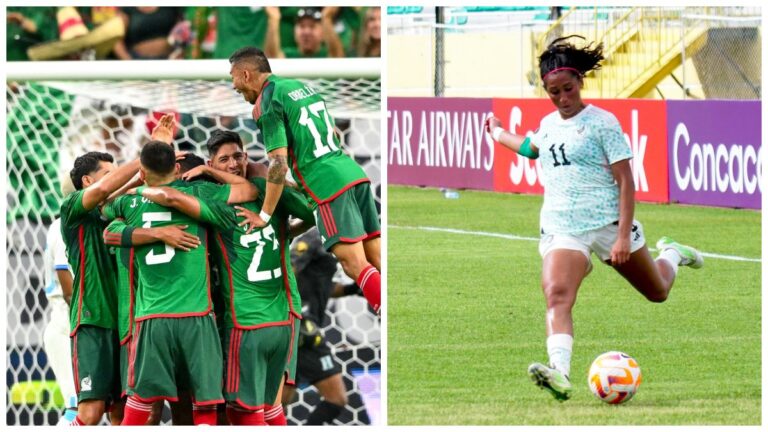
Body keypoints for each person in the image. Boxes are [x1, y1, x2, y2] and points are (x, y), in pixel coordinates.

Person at [484, 35, 704, 402]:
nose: (562, 98)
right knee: (556, 294)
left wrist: (620, 239)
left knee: (658, 292)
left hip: (608, 226)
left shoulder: (602, 124)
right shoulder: (549, 124)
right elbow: (529, 148)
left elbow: (626, 181)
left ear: (579, 82)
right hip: (563, 228)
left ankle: (673, 253)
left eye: (567, 89)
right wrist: (495, 132)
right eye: (554, 92)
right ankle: (560, 372)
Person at [134, 156, 315, 425]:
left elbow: (171, 198)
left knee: (237, 410)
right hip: (274, 318)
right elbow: (313, 212)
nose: (233, 164)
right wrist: (284, 229)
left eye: (238, 157)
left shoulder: (219, 210)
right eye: (224, 159)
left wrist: (138, 186)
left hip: (240, 322)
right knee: (265, 406)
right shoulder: (270, 201)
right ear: (210, 163)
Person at [228, 46, 381, 315]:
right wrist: (298, 181)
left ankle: (385, 308)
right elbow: (330, 131)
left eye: (235, 81)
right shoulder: (300, 87)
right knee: (376, 258)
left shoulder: (268, 101)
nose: (236, 90)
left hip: (327, 186)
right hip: (352, 174)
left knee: (353, 264)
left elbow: (277, 162)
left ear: (246, 74)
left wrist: (264, 215)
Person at [284, 227, 364, 425]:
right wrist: (299, 314)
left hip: (297, 330)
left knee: (278, 404)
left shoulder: (334, 239)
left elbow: (323, 287)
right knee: (336, 399)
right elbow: (290, 270)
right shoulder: (315, 237)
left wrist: (352, 289)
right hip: (303, 329)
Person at [42, 174, 77, 426]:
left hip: (75, 326)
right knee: (77, 410)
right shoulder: (65, 225)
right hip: (67, 327)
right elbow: (68, 287)